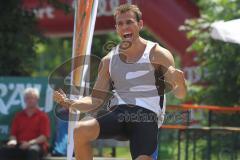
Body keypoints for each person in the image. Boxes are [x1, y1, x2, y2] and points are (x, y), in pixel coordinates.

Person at [54, 4, 187, 160]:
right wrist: (72, 103)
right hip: (118, 113)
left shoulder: (158, 54)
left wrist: (181, 83)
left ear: (140, 25)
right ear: (117, 28)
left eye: (129, 22)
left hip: (146, 116)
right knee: (80, 130)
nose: (125, 27)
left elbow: (180, 94)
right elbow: (95, 99)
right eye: (120, 24)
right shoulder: (109, 60)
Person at [0, 88, 50, 160]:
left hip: (36, 146)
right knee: (4, 151)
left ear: (37, 99)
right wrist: (13, 141)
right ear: (24, 100)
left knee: (32, 151)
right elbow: (13, 134)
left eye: (32, 98)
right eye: (28, 98)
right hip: (20, 145)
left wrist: (29, 143)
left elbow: (44, 137)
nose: (30, 100)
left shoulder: (43, 116)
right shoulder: (18, 116)